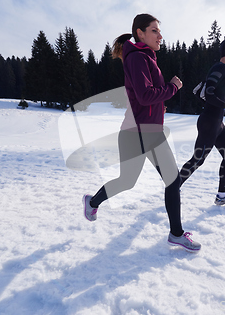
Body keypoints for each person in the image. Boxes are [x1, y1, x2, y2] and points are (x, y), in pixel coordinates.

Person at [82, 14, 201, 252]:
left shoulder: (143, 57)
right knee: (171, 180)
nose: (160, 35)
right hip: (142, 132)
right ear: (140, 33)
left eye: (159, 31)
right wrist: (172, 88)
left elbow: (144, 96)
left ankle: (92, 202)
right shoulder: (137, 58)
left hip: (138, 131)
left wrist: (160, 102)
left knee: (128, 181)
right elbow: (146, 95)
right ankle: (176, 234)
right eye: (154, 30)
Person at [180, 38, 225, 207]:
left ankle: (222, 195)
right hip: (209, 123)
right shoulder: (220, 68)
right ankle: (173, 187)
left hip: (217, 124)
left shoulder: (223, 70)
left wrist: (224, 109)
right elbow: (209, 93)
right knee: (197, 160)